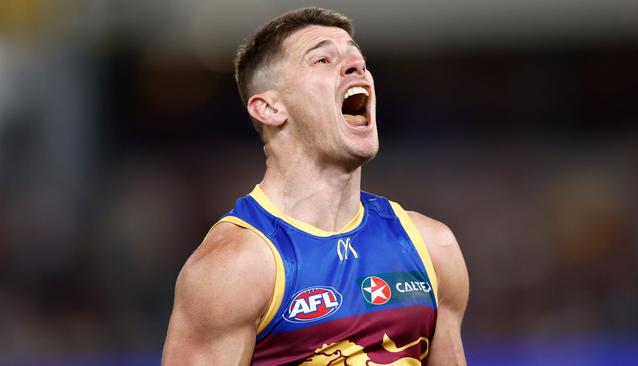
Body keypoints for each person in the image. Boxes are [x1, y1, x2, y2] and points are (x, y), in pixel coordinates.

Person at [162, 7, 469, 366]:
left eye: (359, 60)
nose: (356, 67)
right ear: (269, 108)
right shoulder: (235, 266)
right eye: (322, 60)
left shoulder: (431, 247)